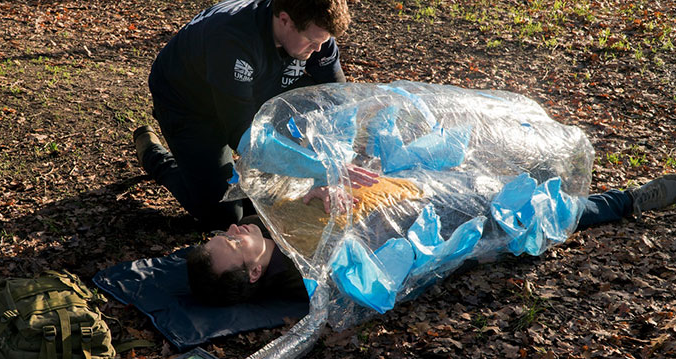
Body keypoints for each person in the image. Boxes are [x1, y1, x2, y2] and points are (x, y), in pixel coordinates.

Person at [186, 175, 676, 305]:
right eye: (232, 243)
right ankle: (627, 201)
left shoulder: (265, 222)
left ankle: (559, 178)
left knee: (502, 175)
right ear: (252, 271)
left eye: (224, 233)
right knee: (528, 215)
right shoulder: (307, 277)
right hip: (438, 224)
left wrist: (324, 185)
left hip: (406, 188)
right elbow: (384, 263)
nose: (234, 229)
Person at [133, 0, 353, 230]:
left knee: (279, 187)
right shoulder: (231, 40)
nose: (318, 49)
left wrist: (341, 159)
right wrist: (322, 169)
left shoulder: (314, 30)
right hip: (189, 102)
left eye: (324, 42)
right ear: (285, 20)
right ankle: (155, 157)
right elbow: (243, 137)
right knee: (223, 214)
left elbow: (338, 101)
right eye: (312, 41)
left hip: (250, 86)